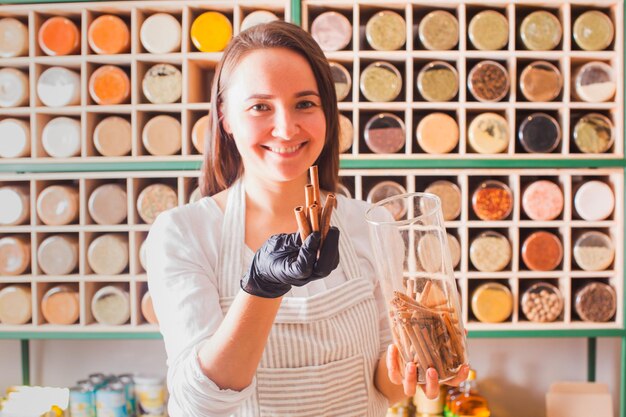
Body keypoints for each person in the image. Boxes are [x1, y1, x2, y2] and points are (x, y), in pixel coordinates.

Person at [147, 21, 468, 417]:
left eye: (304, 104)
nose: (286, 128)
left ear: (328, 114)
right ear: (225, 118)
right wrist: (261, 288)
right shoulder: (181, 234)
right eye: (260, 106)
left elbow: (382, 385)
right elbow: (199, 401)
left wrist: (419, 366)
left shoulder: (370, 223)